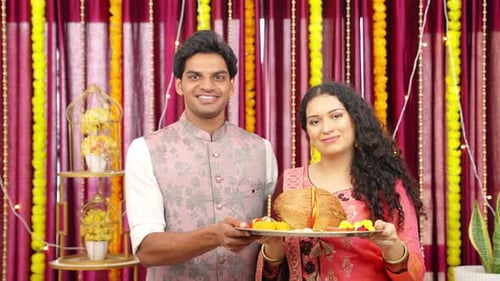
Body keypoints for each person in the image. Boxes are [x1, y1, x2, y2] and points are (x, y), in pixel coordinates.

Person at [125, 30, 278, 281]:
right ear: (179, 85)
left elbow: (276, 237)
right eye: (195, 76)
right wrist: (215, 236)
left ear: (231, 86)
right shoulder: (145, 151)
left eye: (218, 77)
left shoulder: (261, 150)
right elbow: (147, 250)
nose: (207, 86)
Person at [256, 81, 425, 281]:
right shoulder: (290, 183)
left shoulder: (386, 185)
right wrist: (272, 249)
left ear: (355, 120)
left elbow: (415, 275)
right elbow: (268, 276)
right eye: (314, 121)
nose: (326, 128)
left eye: (336, 116)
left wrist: (392, 247)